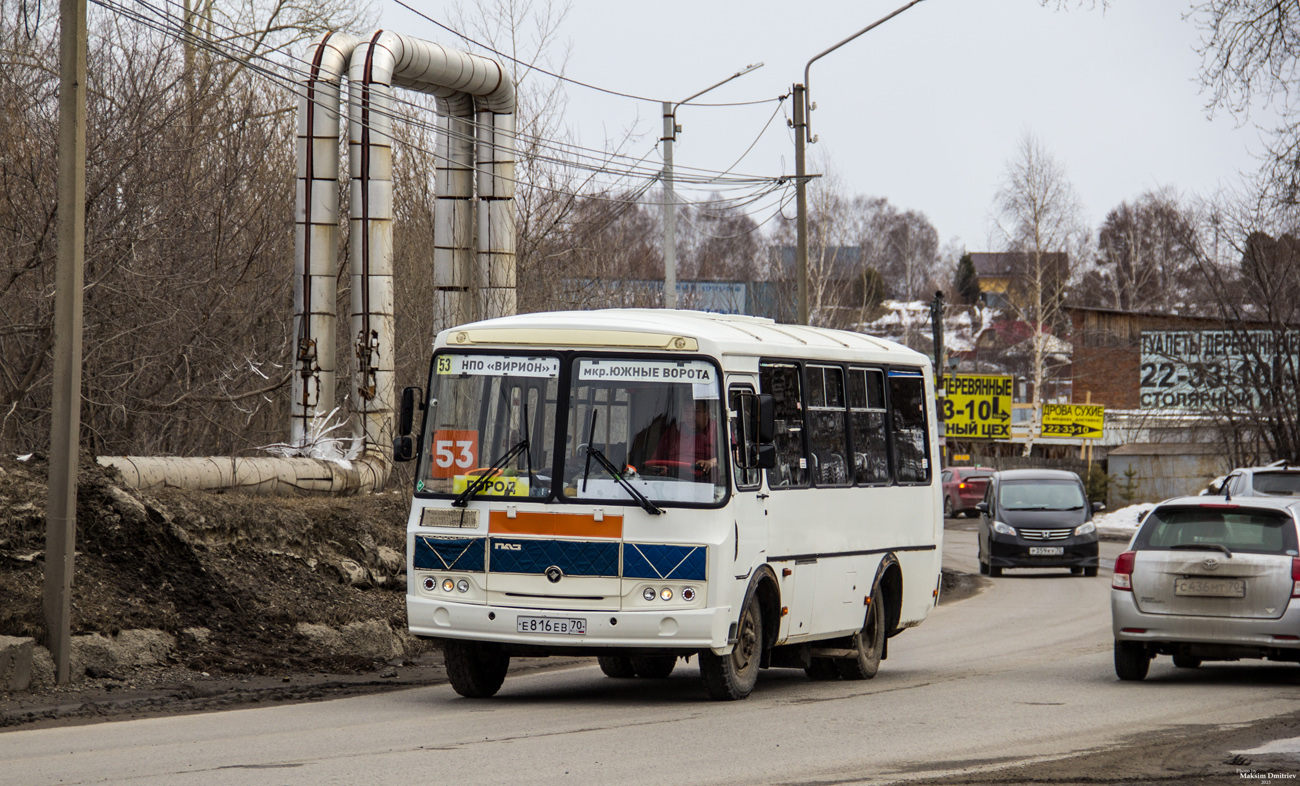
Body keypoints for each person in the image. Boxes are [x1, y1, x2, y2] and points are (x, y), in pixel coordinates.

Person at [649, 399, 718, 476]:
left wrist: (711, 462)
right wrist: (661, 469)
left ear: (707, 414)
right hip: (673, 479)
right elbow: (655, 461)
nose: (691, 416)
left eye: (696, 411)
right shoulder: (674, 431)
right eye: (687, 411)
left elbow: (732, 457)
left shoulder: (717, 429)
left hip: (705, 481)